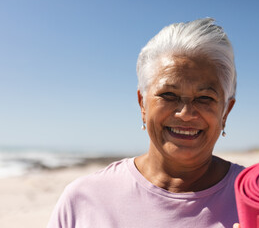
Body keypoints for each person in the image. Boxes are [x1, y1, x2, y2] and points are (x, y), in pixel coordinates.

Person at [47, 18, 244, 228]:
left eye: (204, 98)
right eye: (169, 94)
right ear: (143, 104)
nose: (186, 113)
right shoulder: (83, 199)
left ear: (225, 112)